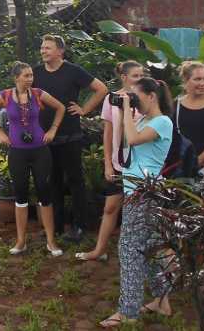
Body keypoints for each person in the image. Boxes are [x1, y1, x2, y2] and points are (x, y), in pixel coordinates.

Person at [101, 76, 174, 327]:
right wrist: (127, 108)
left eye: (136, 96)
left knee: (129, 250)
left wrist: (124, 108)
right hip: (139, 190)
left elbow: (132, 140)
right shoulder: (144, 119)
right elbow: (124, 139)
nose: (133, 100)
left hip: (145, 194)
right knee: (150, 248)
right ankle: (162, 301)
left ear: (151, 96)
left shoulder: (163, 122)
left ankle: (128, 312)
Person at [0, 61, 66, 257]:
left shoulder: (38, 94)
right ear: (16, 78)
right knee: (20, 194)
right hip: (17, 151)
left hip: (40, 150)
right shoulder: (5, 96)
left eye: (31, 75)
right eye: (26, 76)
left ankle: (50, 241)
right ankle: (21, 241)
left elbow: (61, 108)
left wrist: (53, 129)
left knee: (44, 192)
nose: (30, 79)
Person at [33, 34, 109, 242]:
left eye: (48, 48)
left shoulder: (73, 71)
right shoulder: (36, 73)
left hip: (70, 135)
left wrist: (84, 109)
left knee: (75, 182)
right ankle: (56, 227)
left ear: (60, 51)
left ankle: (79, 226)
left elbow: (102, 89)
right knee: (53, 182)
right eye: (42, 47)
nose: (43, 51)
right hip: (45, 137)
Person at [77, 60, 144, 262]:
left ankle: (139, 255)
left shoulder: (146, 98)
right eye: (135, 76)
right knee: (110, 207)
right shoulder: (111, 99)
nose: (139, 80)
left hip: (141, 165)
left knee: (140, 211)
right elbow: (108, 133)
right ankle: (99, 250)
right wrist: (107, 163)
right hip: (118, 163)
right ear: (124, 77)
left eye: (142, 76)